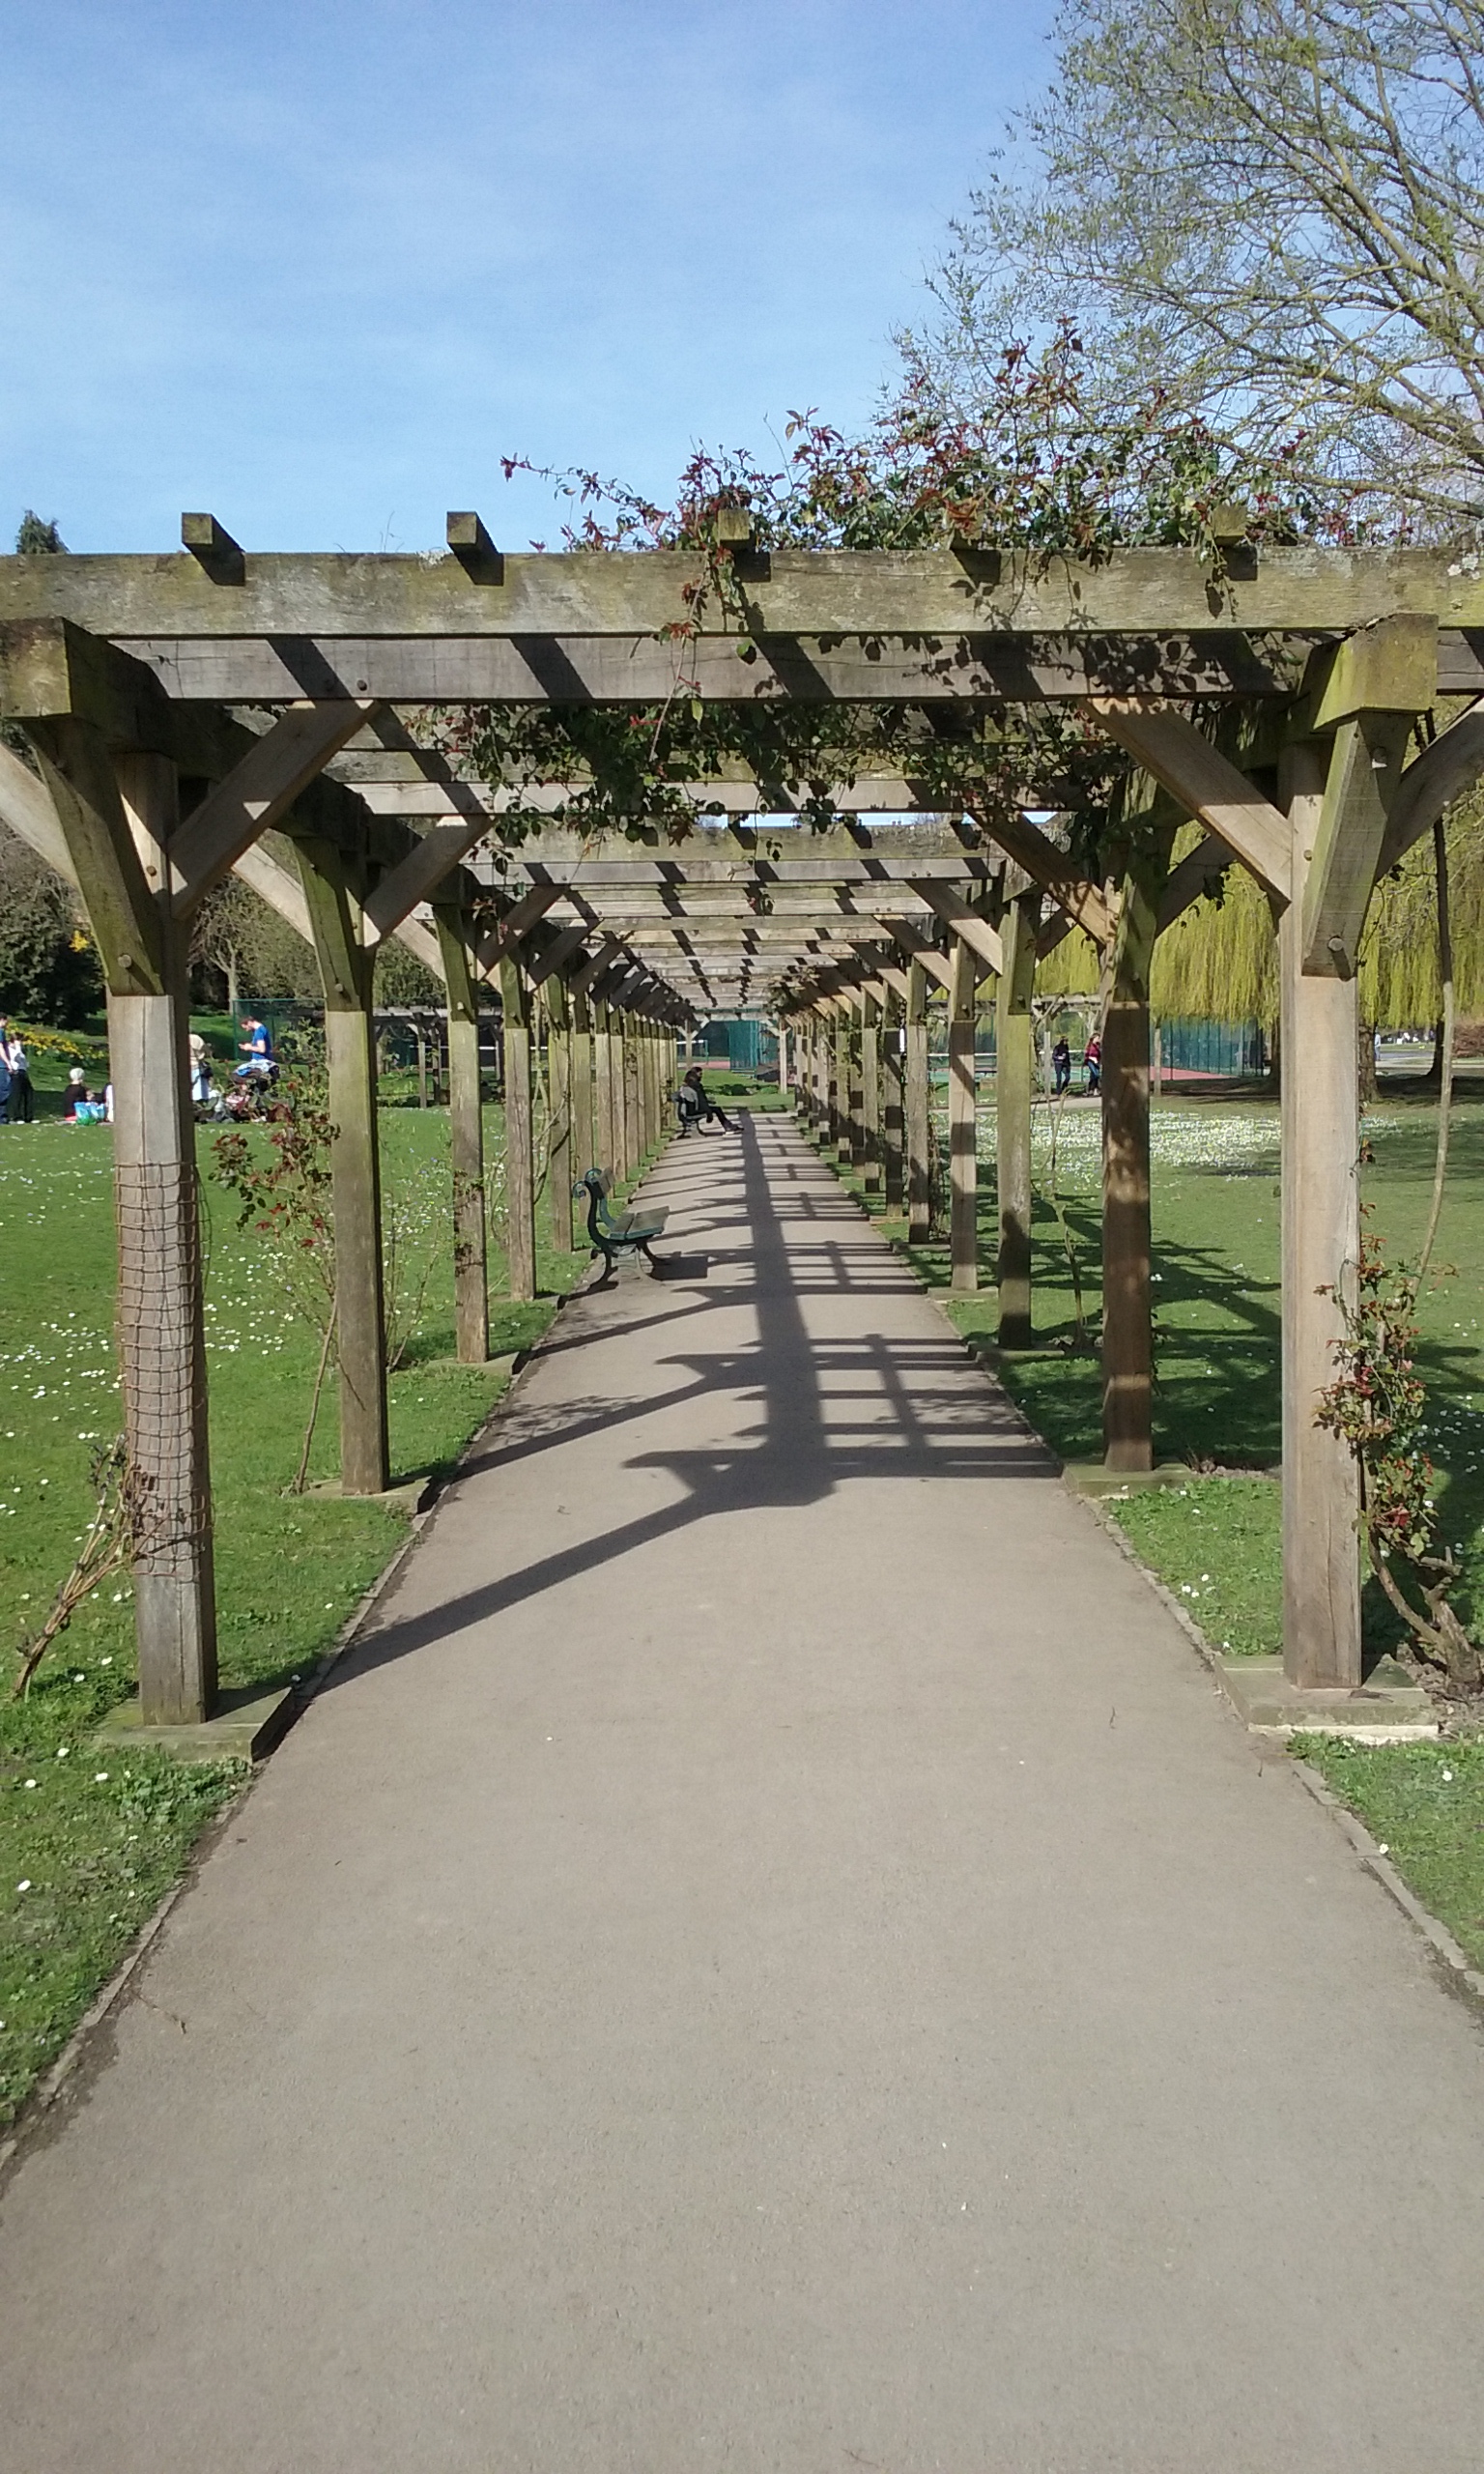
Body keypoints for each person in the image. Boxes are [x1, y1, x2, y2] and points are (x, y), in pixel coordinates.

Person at [681, 1064, 736, 1132]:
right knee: (717, 1109)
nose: (701, 1076)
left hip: (690, 1109)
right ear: (694, 1074)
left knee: (716, 1109)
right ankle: (728, 1126)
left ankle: (728, 1125)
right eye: (700, 1074)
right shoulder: (696, 1086)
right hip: (694, 1110)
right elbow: (701, 1100)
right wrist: (709, 1112)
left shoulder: (688, 1084)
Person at [6, 1024, 34, 1124]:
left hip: (23, 1072)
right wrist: (17, 1047)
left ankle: (28, 1116)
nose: (21, 1043)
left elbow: (24, 1062)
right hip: (15, 1072)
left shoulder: (20, 1050)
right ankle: (15, 1116)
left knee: (29, 1094)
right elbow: (16, 1057)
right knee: (16, 1095)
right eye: (19, 1041)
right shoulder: (10, 1050)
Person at [237, 1015, 275, 1079]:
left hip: (261, 1062)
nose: (246, 1030)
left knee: (237, 1074)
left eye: (246, 1028)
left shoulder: (259, 1032)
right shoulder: (260, 1030)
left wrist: (249, 1048)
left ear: (249, 1022)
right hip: (260, 1061)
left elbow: (262, 1049)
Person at [1082, 1032, 1102, 1096]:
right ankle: (1093, 1088)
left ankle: (1093, 1089)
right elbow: (1087, 1054)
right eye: (1097, 1038)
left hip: (1096, 1061)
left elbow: (1099, 1054)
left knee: (1094, 1075)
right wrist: (1091, 1059)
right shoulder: (1090, 1046)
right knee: (1095, 1074)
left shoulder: (1098, 1046)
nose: (1098, 1039)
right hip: (1090, 1061)